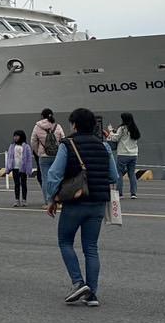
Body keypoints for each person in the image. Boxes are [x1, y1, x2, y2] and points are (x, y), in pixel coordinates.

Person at [42, 108, 118, 307]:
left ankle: (78, 283)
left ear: (74, 125)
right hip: (98, 203)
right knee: (91, 248)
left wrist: (52, 199)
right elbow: (114, 176)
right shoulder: (104, 146)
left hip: (75, 202)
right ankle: (91, 294)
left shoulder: (68, 144)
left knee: (65, 242)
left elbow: (54, 175)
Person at [32, 110, 65, 203]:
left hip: (43, 156)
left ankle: (48, 201)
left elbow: (33, 141)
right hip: (57, 156)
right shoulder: (57, 126)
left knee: (45, 178)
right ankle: (58, 200)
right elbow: (63, 140)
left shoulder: (37, 127)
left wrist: (38, 152)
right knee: (58, 177)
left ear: (42, 116)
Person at [107, 113, 141, 199]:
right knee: (132, 173)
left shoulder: (122, 128)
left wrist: (110, 131)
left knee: (119, 173)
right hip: (133, 154)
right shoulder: (134, 128)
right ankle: (133, 193)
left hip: (123, 154)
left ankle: (120, 193)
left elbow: (115, 138)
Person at [5, 130, 34, 206]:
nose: (15, 137)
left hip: (23, 168)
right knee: (16, 184)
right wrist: (8, 167)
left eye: (17, 136)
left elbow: (29, 159)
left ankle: (24, 200)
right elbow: (9, 157)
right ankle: (17, 200)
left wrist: (28, 169)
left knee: (24, 184)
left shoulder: (26, 146)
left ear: (21, 137)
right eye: (14, 136)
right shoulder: (12, 146)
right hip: (15, 167)